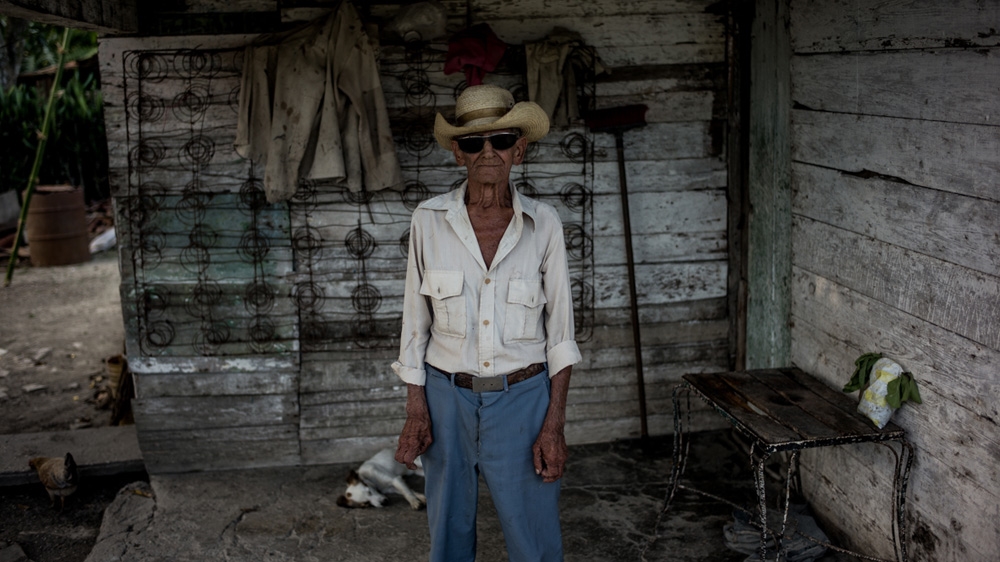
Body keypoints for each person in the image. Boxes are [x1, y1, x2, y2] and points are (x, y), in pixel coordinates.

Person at [392, 84, 582, 562]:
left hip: (524, 398)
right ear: (459, 153)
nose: (488, 152)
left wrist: (554, 423)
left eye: (500, 140)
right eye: (474, 143)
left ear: (519, 149)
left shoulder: (545, 225)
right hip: (445, 397)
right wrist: (416, 409)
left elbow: (560, 336)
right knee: (448, 538)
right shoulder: (428, 220)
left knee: (533, 539)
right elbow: (415, 327)